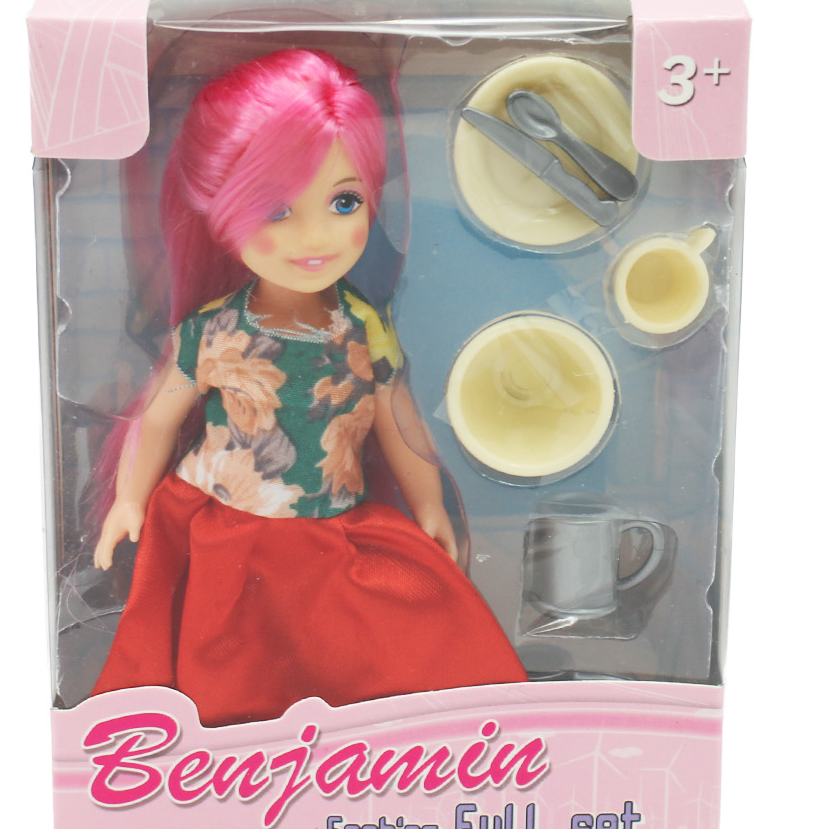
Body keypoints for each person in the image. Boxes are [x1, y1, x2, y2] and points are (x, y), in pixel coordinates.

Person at [90, 48, 526, 727]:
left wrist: (429, 503)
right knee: (230, 670)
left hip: (332, 528)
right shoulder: (215, 330)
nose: (316, 235)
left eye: (344, 201)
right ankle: (233, 764)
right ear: (222, 210)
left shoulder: (364, 327)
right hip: (229, 530)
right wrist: (128, 500)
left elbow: (397, 418)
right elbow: (158, 418)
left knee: (380, 648)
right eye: (276, 210)